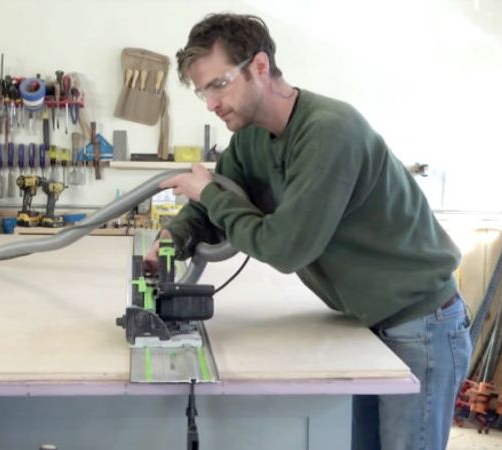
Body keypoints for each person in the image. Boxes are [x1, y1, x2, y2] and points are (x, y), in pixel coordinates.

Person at [143, 13, 472, 450]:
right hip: (365, 320)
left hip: (419, 322)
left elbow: (285, 248)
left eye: (219, 85)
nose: (211, 104)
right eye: (204, 92)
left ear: (260, 66)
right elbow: (216, 202)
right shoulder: (250, 139)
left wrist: (208, 194)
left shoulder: (329, 131)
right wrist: (175, 237)